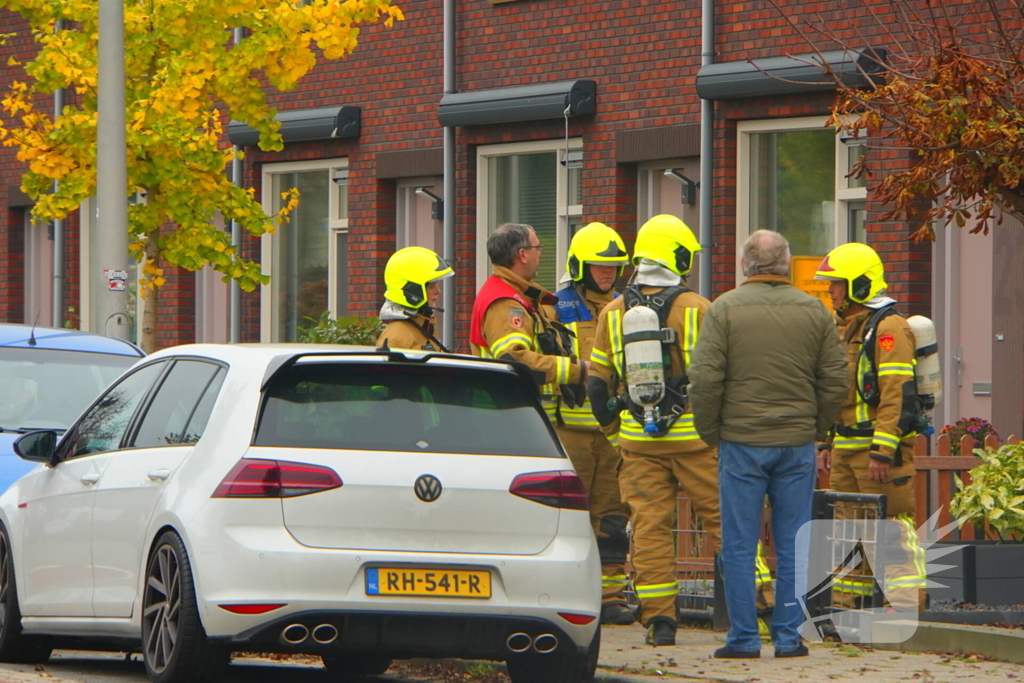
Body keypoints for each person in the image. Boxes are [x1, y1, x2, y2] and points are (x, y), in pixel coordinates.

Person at [689, 229, 846, 659]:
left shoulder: (724, 310)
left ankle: (742, 638)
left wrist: (710, 432)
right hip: (796, 443)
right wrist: (816, 427)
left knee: (740, 543)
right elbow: (835, 377)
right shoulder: (814, 311)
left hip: (741, 442)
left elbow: (704, 379)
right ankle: (788, 637)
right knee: (794, 540)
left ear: (745, 265)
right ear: (787, 264)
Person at [587, 214, 721, 647]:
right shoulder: (700, 309)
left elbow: (596, 385)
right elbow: (719, 378)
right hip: (695, 437)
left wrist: (616, 433)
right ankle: (758, 602)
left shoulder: (612, 312)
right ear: (677, 256)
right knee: (724, 520)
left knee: (648, 528)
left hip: (637, 440)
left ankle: (660, 621)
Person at [814, 242, 929, 613]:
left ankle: (909, 609)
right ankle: (847, 608)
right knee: (847, 534)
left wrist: (883, 451)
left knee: (890, 530)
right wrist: (829, 441)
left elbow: (897, 395)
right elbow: (838, 392)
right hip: (847, 447)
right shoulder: (844, 328)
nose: (829, 291)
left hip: (877, 452)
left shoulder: (889, 328)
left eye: (836, 284)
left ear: (860, 285)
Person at [544, 222, 635, 625]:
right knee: (570, 516)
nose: (607, 273)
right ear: (580, 266)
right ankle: (565, 593)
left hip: (613, 433)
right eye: (599, 266)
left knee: (613, 515)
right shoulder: (553, 309)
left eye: (614, 266)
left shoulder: (628, 307)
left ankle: (611, 596)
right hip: (570, 433)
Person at [470, 223, 585, 426]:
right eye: (537, 248)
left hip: (517, 417)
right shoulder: (505, 302)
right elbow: (515, 360)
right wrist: (579, 370)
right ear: (522, 254)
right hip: (509, 420)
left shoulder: (515, 294)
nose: (540, 255)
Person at [377, 246, 454, 351]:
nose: (438, 291)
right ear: (412, 291)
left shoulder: (422, 325)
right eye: (431, 287)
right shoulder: (397, 335)